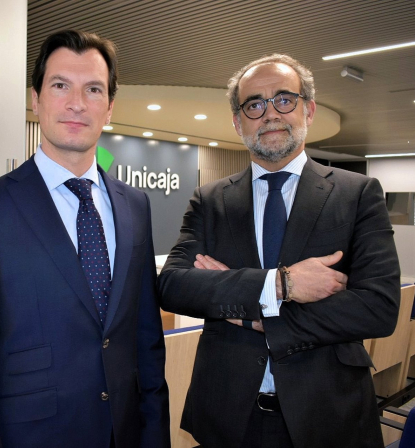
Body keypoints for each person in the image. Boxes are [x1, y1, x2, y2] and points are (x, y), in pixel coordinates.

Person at [0, 30, 170, 448]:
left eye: (93, 89)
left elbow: (146, 343)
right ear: (36, 99)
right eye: (61, 85)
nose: (77, 103)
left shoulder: (135, 206)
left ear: (110, 107)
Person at [158, 54, 400, 448]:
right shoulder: (210, 200)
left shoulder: (357, 194)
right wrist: (280, 285)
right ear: (238, 122)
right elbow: (173, 286)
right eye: (254, 104)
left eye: (284, 99)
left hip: (329, 414)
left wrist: (258, 316)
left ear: (309, 110)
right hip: (229, 415)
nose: (270, 113)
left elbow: (378, 307)